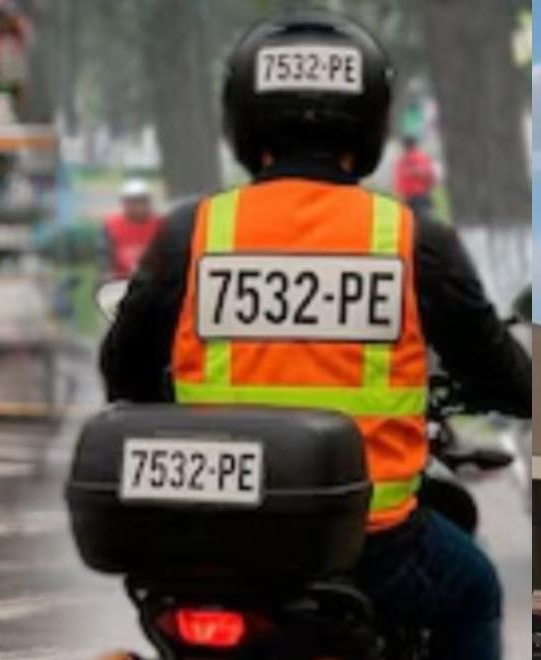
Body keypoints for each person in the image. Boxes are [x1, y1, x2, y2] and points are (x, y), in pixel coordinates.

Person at [100, 11, 530, 659]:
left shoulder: (193, 232)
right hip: (372, 546)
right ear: (369, 122)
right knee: (473, 590)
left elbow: (124, 373)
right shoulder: (411, 239)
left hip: (219, 538)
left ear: (244, 122)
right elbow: (500, 374)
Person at [103, 178, 162, 279]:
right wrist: (106, 272)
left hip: (155, 278)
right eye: (132, 202)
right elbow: (104, 253)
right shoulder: (111, 224)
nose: (137, 206)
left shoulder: (160, 224)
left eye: (141, 201)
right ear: (124, 203)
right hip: (121, 278)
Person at [393, 134, 437, 218]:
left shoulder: (401, 161)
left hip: (409, 196)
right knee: (425, 218)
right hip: (420, 194)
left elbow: (398, 181)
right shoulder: (422, 158)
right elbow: (430, 176)